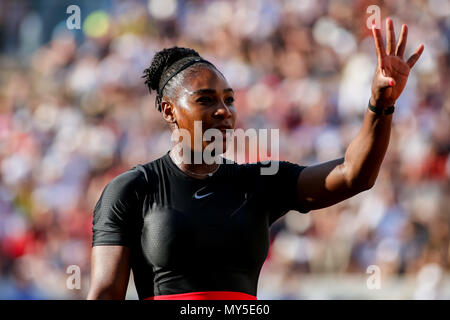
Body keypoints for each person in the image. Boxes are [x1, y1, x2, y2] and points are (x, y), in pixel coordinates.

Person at [87, 18, 424, 300]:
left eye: (229, 100)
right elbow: (105, 293)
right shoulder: (132, 189)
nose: (223, 110)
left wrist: (381, 104)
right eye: (205, 100)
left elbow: (354, 175)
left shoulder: (259, 182)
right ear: (169, 111)